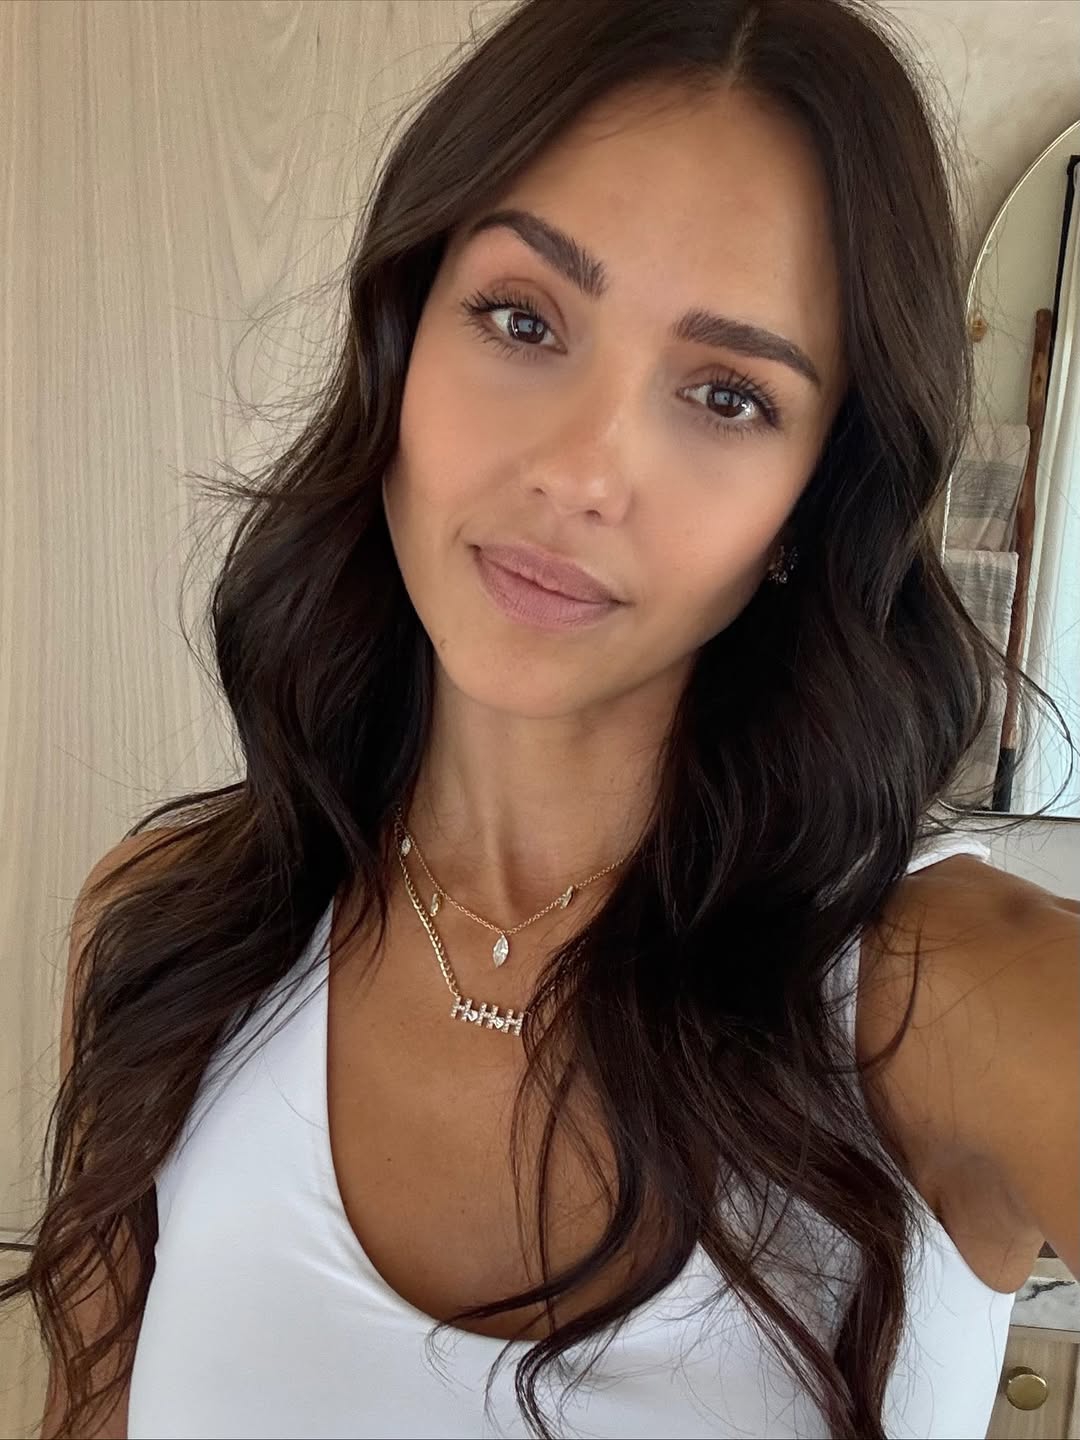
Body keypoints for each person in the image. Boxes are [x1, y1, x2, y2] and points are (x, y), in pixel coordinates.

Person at [8, 0, 1078, 1437]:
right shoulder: (172, 934)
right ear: (400, 343)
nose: (582, 470)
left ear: (810, 507)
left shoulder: (957, 1002)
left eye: (727, 395)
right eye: (523, 320)